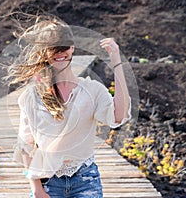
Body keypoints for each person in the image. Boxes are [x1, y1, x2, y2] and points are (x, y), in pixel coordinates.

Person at [8, 14, 131, 198]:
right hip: (47, 182)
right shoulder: (32, 96)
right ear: (44, 52)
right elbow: (25, 145)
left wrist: (117, 62)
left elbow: (119, 116)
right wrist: (37, 190)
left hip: (85, 180)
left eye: (63, 47)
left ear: (72, 48)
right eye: (53, 48)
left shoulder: (92, 90)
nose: (59, 53)